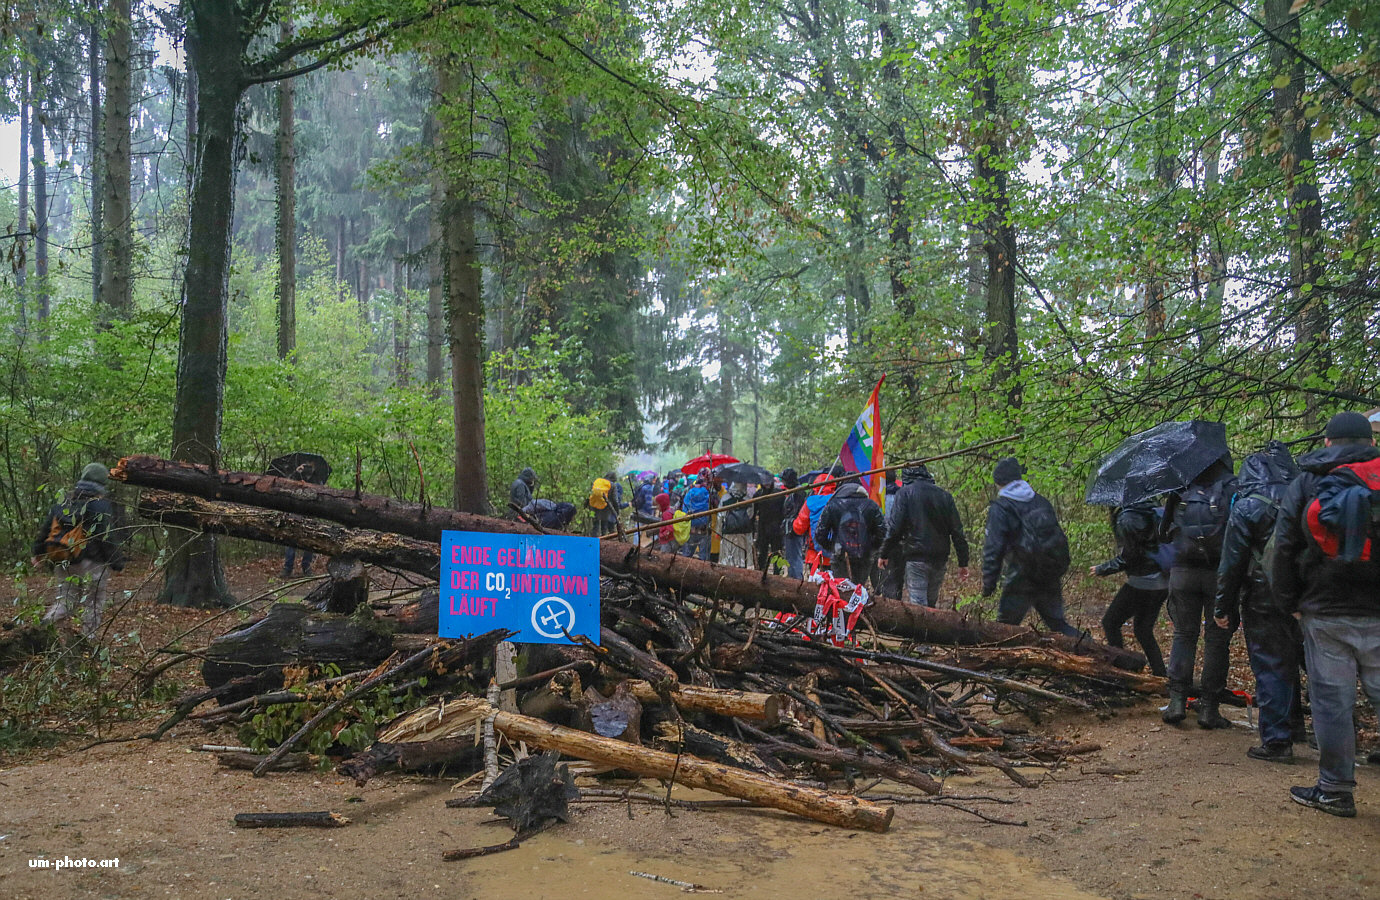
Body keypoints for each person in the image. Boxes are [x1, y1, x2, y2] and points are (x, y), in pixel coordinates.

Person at [1272, 411, 1380, 818]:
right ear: (1369, 440)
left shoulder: (1308, 480)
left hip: (1325, 605)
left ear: (1330, 442)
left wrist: (1289, 601)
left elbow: (1283, 546)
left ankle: (1335, 790)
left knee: (1332, 701)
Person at [1213, 443, 1304, 762]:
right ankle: (1319, 733)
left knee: (1271, 665)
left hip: (1263, 595)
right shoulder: (1306, 495)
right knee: (1315, 664)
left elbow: (1232, 561)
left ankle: (1278, 741)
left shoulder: (1247, 506)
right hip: (1309, 596)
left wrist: (1222, 607)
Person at [1160, 456, 1237, 727]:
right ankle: (1209, 710)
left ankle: (1177, 702)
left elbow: (1164, 531)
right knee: (1217, 640)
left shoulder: (1180, 487)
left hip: (1183, 573)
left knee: (1184, 634)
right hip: (1220, 573)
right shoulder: (1232, 487)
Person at [982, 457, 1078, 637]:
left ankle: (1004, 665)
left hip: (1021, 577)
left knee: (1004, 629)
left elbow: (993, 547)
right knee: (1058, 624)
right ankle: (1092, 650)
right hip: (1048, 574)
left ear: (999, 482)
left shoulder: (1001, 507)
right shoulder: (1040, 501)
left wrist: (989, 582)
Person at [32, 463, 126, 638]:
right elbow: (105, 536)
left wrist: (37, 552)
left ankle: (43, 629)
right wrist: (117, 562)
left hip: (64, 558)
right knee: (94, 602)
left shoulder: (64, 501)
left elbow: (46, 529)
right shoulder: (100, 505)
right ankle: (87, 640)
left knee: (66, 600)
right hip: (93, 562)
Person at [1090, 503, 1169, 677]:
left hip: (1143, 583)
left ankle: (1119, 669)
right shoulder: (1152, 510)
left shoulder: (1127, 518)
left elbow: (1130, 557)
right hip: (1162, 582)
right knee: (1143, 629)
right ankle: (1160, 674)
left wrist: (1103, 568)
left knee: (1110, 622)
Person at [880, 464, 970, 608]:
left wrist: (884, 553)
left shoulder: (904, 494)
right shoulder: (944, 496)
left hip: (916, 556)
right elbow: (957, 531)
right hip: (939, 558)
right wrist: (963, 562)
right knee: (930, 602)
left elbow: (895, 528)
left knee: (919, 604)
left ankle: (923, 630)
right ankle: (929, 628)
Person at [814, 476, 887, 586]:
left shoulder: (832, 505)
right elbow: (882, 531)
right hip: (864, 555)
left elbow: (820, 533)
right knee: (859, 589)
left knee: (841, 589)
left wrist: (832, 547)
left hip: (840, 555)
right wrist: (872, 547)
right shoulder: (871, 505)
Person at [679, 474, 715, 561]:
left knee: (687, 556)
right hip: (704, 530)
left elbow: (681, 505)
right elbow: (716, 506)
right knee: (704, 558)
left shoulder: (688, 491)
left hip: (690, 529)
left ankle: (684, 573)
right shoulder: (709, 493)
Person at [779, 469, 806, 579]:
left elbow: (794, 512)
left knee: (795, 556)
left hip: (794, 528)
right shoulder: (793, 492)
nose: (783, 483)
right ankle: (793, 577)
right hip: (790, 528)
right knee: (790, 556)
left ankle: (796, 579)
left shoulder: (798, 493)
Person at [588, 471, 626, 537]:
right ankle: (603, 541)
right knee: (604, 526)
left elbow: (590, 493)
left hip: (593, 505)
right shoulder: (612, 485)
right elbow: (615, 500)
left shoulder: (598, 481)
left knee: (595, 526)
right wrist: (617, 513)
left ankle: (593, 541)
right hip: (605, 507)